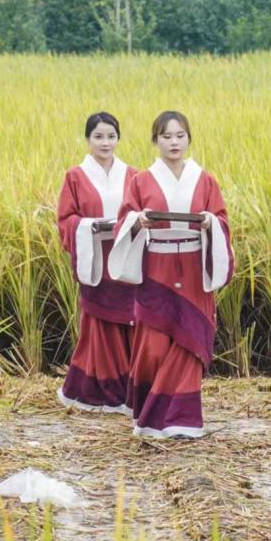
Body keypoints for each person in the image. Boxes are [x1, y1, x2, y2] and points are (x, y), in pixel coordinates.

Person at [107, 110, 234, 439]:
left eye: (180, 136)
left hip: (193, 269)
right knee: (154, 345)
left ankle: (182, 420)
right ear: (155, 140)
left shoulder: (205, 179)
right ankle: (152, 414)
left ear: (189, 138)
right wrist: (138, 221)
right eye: (166, 136)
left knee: (188, 343)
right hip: (157, 268)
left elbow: (221, 219)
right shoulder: (141, 180)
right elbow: (124, 220)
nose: (174, 142)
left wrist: (209, 222)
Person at [56, 111, 137, 413]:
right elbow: (66, 219)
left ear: (118, 138)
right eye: (98, 136)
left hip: (126, 259)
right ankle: (96, 391)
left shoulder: (133, 175)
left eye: (111, 136)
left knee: (131, 321)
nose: (105, 142)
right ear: (88, 139)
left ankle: (129, 390)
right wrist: (89, 226)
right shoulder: (75, 176)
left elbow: (142, 212)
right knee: (99, 326)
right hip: (94, 258)